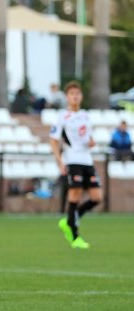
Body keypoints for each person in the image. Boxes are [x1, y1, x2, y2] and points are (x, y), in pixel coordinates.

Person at [50, 81, 101, 250]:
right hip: (72, 160)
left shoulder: (86, 116)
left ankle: (70, 219)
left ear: (81, 96)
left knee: (96, 197)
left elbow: (87, 138)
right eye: (72, 94)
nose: (75, 96)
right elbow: (53, 140)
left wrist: (91, 142)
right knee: (75, 194)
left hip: (87, 160)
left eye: (77, 93)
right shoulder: (62, 116)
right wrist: (59, 161)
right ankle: (75, 236)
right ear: (67, 97)